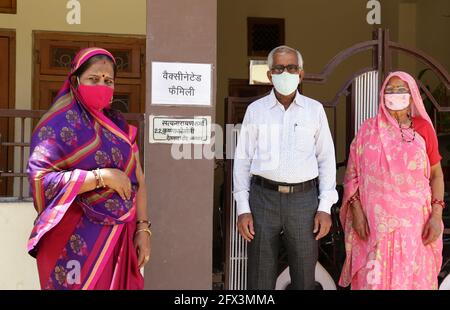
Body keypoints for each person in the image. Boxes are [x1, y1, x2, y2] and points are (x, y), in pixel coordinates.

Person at [27, 47, 151, 290]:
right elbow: (41, 180)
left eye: (108, 81)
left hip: (119, 239)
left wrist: (144, 229)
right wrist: (100, 177)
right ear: (75, 81)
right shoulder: (56, 127)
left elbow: (139, 180)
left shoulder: (120, 128)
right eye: (93, 79)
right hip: (73, 239)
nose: (101, 85)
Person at [233, 45, 338, 290]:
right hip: (262, 199)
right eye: (279, 68)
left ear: (301, 74)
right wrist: (243, 209)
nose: (285, 73)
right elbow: (242, 160)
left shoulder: (315, 110)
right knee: (260, 276)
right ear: (269, 75)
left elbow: (326, 160)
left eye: (291, 68)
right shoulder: (255, 111)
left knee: (304, 276)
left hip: (304, 202)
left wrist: (325, 207)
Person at [339, 71, 445, 290]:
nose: (395, 94)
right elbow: (351, 176)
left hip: (416, 228)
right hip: (373, 228)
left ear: (412, 95)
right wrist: (356, 212)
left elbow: (436, 175)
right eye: (390, 89)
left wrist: (436, 215)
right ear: (382, 95)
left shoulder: (423, 129)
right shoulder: (367, 130)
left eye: (401, 90)